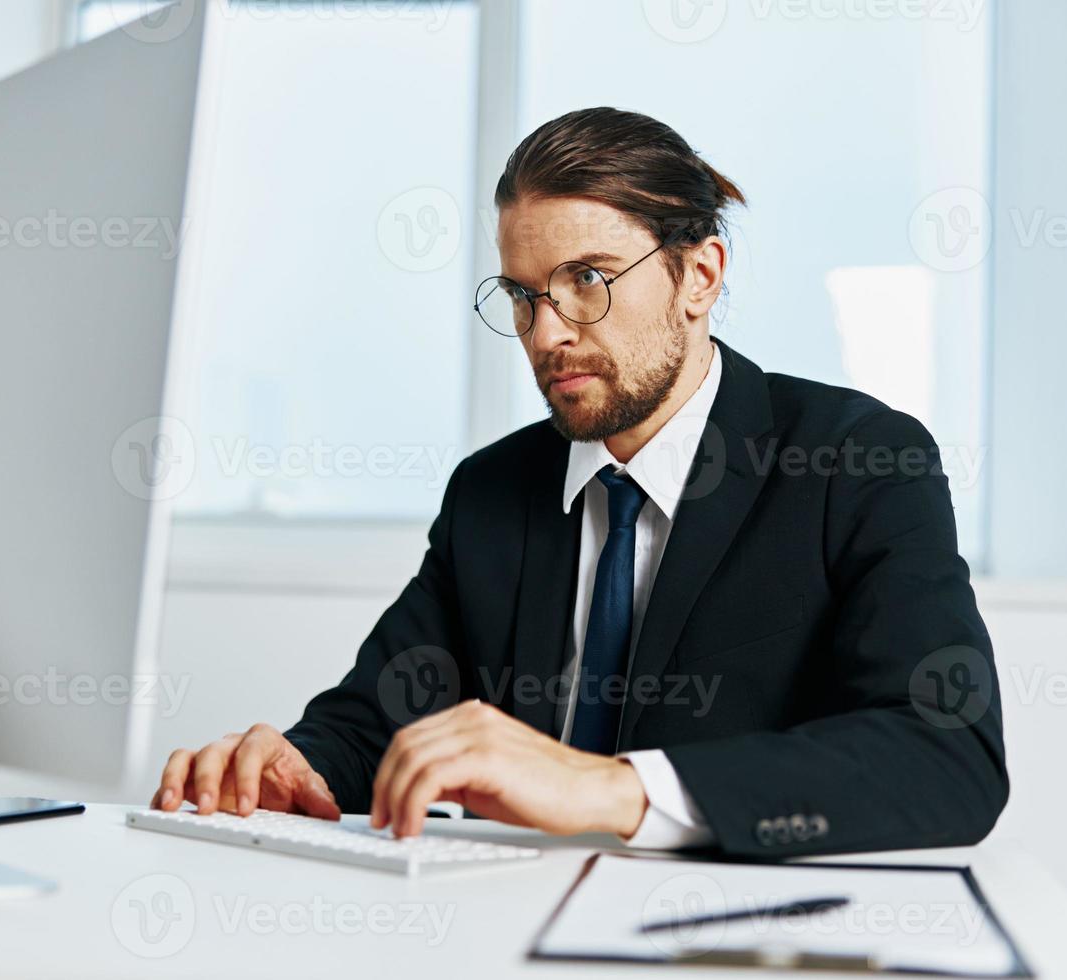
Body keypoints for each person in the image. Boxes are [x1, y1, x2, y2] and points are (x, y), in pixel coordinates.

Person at [150, 107, 1008, 857]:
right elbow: (379, 722)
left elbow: (948, 756)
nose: (547, 332)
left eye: (587, 281)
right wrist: (291, 765)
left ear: (699, 276)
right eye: (523, 296)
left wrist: (610, 789)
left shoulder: (858, 462)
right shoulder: (492, 491)